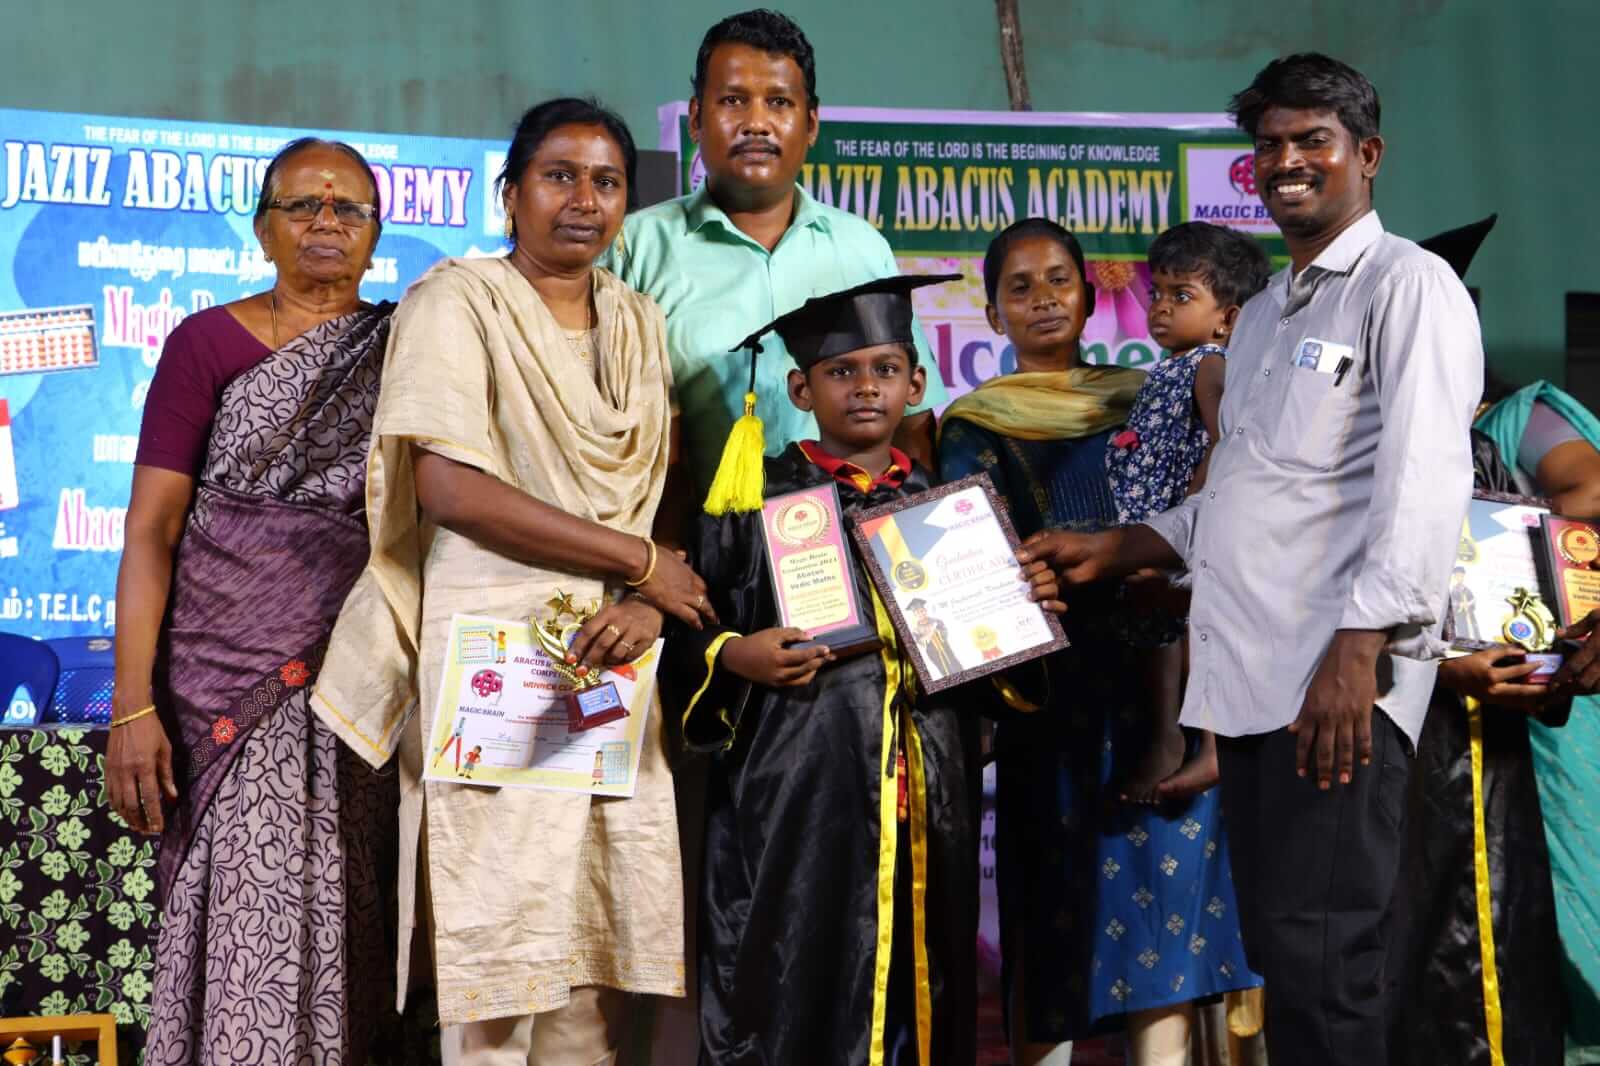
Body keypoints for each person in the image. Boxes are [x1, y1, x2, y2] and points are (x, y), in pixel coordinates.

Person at [1017, 55, 1485, 1065]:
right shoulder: (1267, 313)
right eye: (1270, 144)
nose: (1288, 161)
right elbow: (1239, 496)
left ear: (1367, 154)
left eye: (1314, 139)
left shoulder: (1409, 286)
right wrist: (1123, 545)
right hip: (1254, 686)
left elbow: (1423, 480)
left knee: (1328, 963)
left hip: (1338, 682)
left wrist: (1358, 651)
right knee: (1284, 954)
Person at [312, 98, 715, 1065]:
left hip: (612, 655)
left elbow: (661, 488)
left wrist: (644, 603)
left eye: (607, 182)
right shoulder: (458, 301)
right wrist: (639, 565)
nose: (584, 200)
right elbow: (448, 488)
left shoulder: (637, 321)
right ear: (511, 193)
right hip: (498, 657)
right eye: (559, 176)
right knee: (496, 958)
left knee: (587, 957)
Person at [663, 274, 1052, 1065]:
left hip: (928, 786)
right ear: (801, 390)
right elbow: (685, 632)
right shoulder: (755, 500)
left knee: (924, 972)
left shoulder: (951, 509)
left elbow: (999, 676)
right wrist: (734, 654)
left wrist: (1024, 608)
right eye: (841, 371)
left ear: (917, 383)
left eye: (885, 369)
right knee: (791, 971)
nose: (866, 387)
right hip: (797, 789)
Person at [939, 219, 1259, 1066]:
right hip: (1049, 690)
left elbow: (1220, 501)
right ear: (992, 312)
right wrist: (1022, 585)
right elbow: (968, 561)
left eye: (1059, 280)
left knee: (1167, 918)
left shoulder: (1156, 390)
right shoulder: (972, 424)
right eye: (1019, 287)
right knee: (1053, 914)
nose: (1043, 299)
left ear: (1089, 296)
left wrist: (1170, 574)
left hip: (1162, 675)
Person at [108, 137, 398, 1063]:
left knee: (351, 911)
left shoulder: (404, 348)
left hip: (358, 677)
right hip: (221, 685)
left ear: (376, 234)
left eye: (348, 208)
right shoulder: (205, 344)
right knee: (242, 921)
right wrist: (131, 705)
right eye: (302, 205)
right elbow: (150, 530)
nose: (326, 221)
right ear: (263, 229)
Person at [603, 7, 949, 530]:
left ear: (811, 123)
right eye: (733, 100)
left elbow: (914, 428)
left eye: (780, 102)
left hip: (851, 545)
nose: (757, 123)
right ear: (696, 118)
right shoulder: (635, 248)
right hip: (696, 550)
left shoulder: (861, 248)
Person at [1105, 221, 1271, 803]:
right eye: (1156, 292)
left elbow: (1224, 439)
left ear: (1227, 318)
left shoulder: (1210, 364)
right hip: (1154, 522)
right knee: (1160, 632)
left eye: (1182, 296)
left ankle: (1209, 745)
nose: (1160, 307)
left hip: (1187, 524)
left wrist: (1191, 509)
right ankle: (1167, 736)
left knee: (1195, 627)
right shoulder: (1169, 369)